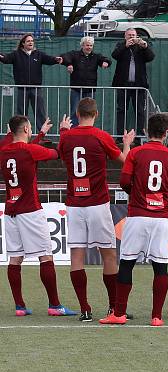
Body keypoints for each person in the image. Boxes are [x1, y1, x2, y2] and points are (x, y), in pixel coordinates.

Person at [100, 114, 168, 327]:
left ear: (147, 132)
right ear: (166, 133)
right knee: (160, 266)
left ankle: (119, 313)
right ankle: (156, 316)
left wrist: (137, 194)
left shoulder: (136, 153)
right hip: (161, 219)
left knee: (127, 263)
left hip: (138, 215)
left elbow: (123, 181)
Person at [57, 98, 134, 322]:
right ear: (96, 114)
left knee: (76, 255)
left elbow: (64, 159)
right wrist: (127, 143)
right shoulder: (101, 136)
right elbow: (125, 162)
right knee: (109, 254)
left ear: (77, 114)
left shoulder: (66, 138)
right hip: (97, 203)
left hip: (74, 204)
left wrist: (64, 131)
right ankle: (113, 308)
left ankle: (85, 309)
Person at [0, 115, 76, 317]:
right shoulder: (31, 150)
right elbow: (56, 153)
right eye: (31, 128)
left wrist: (41, 133)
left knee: (15, 258)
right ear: (25, 130)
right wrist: (64, 131)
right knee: (45, 256)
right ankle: (55, 305)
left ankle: (20, 306)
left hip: (10, 212)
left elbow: (24, 152)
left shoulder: (4, 150)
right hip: (31, 211)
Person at [0, 34, 63, 130]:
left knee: (40, 113)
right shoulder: (16, 54)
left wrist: (56, 59)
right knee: (21, 114)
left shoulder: (39, 54)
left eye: (32, 41)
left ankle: (42, 135)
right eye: (28, 41)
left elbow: (49, 59)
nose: (31, 42)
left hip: (36, 88)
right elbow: (6, 58)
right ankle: (21, 134)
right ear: (23, 43)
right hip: (22, 89)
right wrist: (1, 56)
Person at [111, 28, 155, 138]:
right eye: (129, 35)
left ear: (137, 36)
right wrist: (125, 46)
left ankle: (140, 134)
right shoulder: (120, 45)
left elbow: (151, 57)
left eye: (133, 35)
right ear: (125, 36)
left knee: (140, 110)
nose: (131, 37)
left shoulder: (141, 46)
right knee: (121, 110)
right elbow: (114, 55)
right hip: (123, 84)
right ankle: (120, 134)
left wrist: (145, 47)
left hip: (139, 85)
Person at [60, 36, 111, 126]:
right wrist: (69, 64)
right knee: (75, 111)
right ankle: (74, 131)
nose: (89, 47)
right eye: (87, 45)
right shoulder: (74, 54)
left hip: (90, 90)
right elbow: (64, 56)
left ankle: (88, 131)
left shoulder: (96, 56)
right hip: (76, 89)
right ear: (82, 45)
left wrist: (106, 62)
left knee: (90, 112)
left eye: (91, 45)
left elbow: (107, 59)